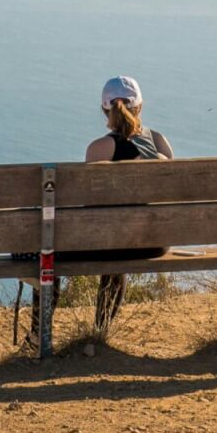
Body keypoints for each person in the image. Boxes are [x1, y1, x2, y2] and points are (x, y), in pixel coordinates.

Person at [80, 75, 172, 338]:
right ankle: (101, 330)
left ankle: (44, 336)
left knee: (111, 239)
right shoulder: (159, 143)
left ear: (104, 110)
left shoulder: (99, 149)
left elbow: (89, 206)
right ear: (140, 107)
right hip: (154, 243)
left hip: (113, 241)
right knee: (119, 238)